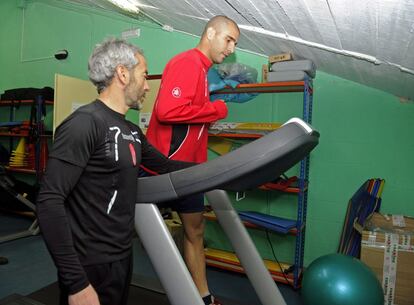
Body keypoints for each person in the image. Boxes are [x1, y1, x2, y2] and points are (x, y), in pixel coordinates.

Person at [36, 38, 193, 305]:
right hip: (89, 263)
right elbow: (49, 202)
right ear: (122, 73)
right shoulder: (84, 124)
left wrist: (226, 172)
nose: (146, 86)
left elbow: (165, 166)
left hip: (121, 255)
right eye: (144, 75)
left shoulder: (132, 131)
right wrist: (77, 284)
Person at [145, 15, 240, 305]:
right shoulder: (186, 62)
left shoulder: (203, 71)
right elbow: (167, 111)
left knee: (195, 229)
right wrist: (216, 110)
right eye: (228, 40)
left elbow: (191, 125)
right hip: (163, 167)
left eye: (235, 43)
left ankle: (203, 296)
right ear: (211, 33)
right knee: (130, 226)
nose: (231, 48)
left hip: (190, 170)